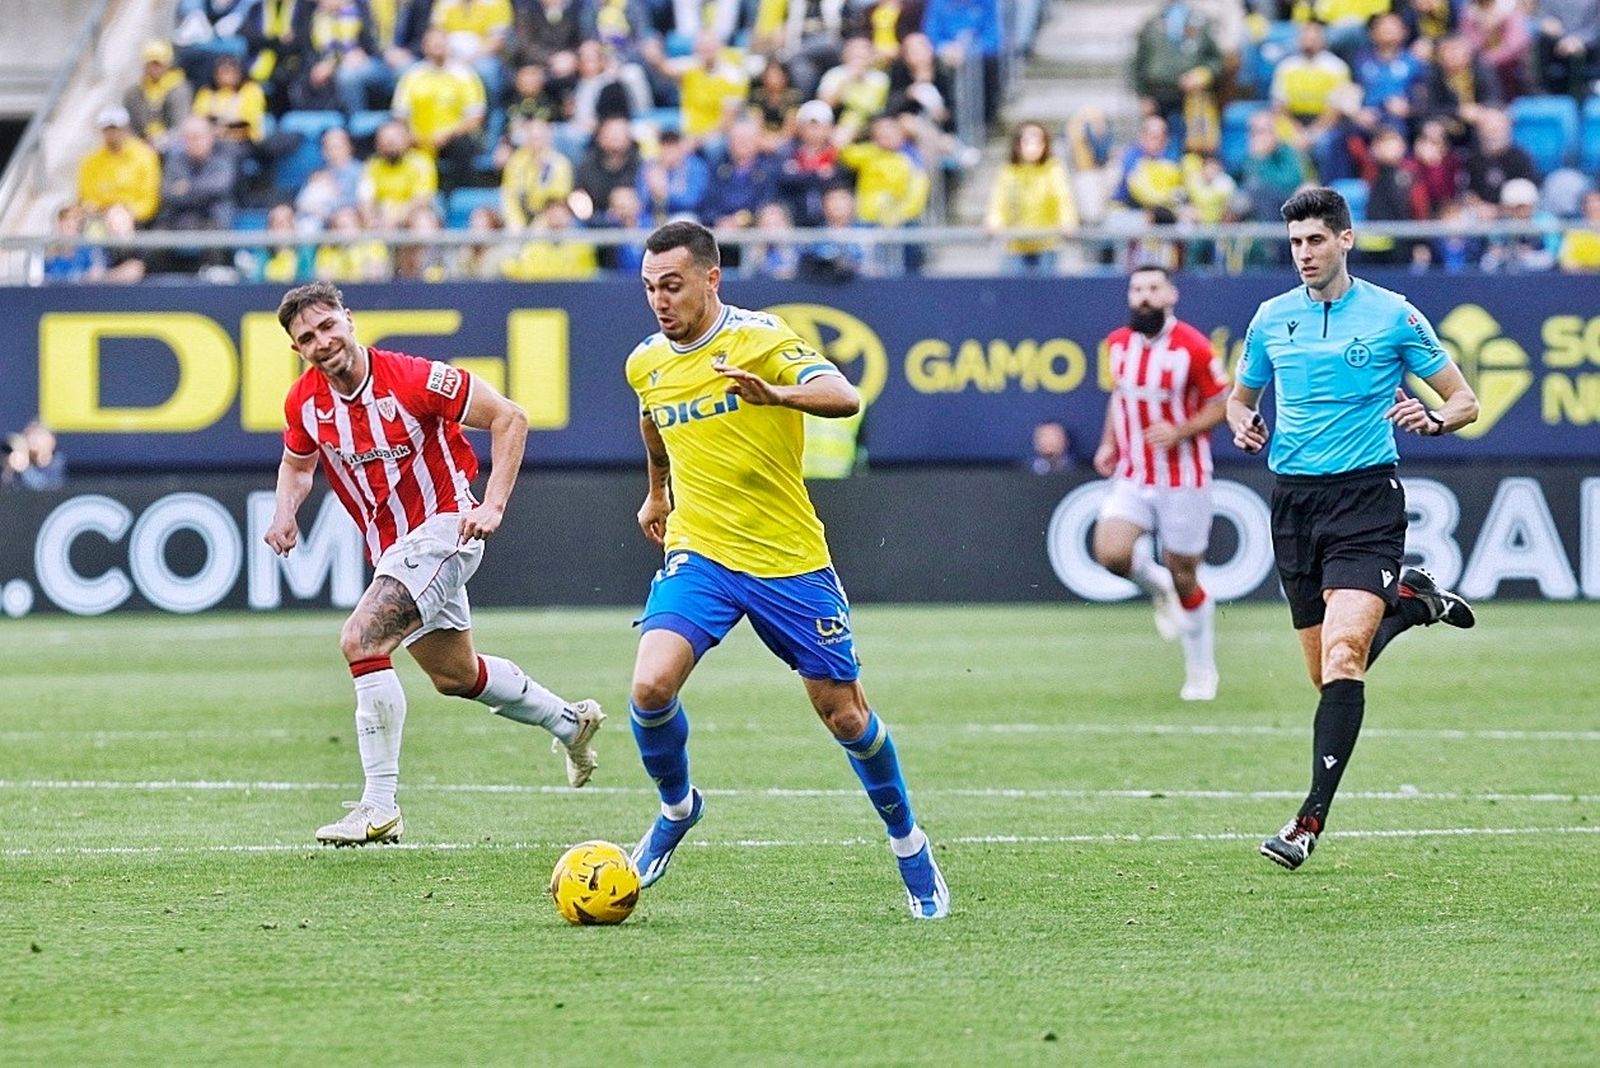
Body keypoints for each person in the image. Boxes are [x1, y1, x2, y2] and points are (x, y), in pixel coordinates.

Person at [622, 220, 949, 919]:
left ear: (712, 278)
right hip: (701, 550)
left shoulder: (763, 339)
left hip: (788, 560)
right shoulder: (645, 361)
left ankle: (909, 844)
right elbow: (653, 422)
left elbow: (843, 395)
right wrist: (657, 492)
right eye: (650, 287)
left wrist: (777, 395)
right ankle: (677, 809)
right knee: (650, 687)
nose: (659, 300)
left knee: (846, 716)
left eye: (672, 285)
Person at [263, 281, 604, 845]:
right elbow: (298, 465)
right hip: (394, 549)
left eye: (328, 326)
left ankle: (379, 806)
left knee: (361, 639)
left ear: (349, 319)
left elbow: (510, 418)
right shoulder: (305, 402)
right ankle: (569, 721)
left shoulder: (414, 377)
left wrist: (493, 503)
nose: (322, 341)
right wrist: (284, 514)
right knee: (455, 675)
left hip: (447, 525)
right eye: (307, 337)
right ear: (298, 350)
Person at [1227, 187, 1480, 871]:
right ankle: (1412, 601)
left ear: (1345, 239)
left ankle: (1307, 822)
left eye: (1315, 241)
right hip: (1294, 507)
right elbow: (1238, 396)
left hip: (1366, 501)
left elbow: (1465, 400)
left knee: (1343, 658)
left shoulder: (1393, 315)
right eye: (1296, 243)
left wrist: (1435, 419)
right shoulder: (1271, 318)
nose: (1304, 254)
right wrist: (1240, 422)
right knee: (1329, 673)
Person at [1091, 265, 1227, 701]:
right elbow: (1121, 397)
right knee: (1111, 553)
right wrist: (1109, 443)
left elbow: (1222, 404)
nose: (1144, 296)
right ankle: (1159, 587)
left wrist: (1180, 431)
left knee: (1185, 571)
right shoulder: (1117, 344)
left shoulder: (1194, 347)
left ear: (1171, 294)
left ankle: (1201, 670)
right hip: (1134, 472)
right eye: (1137, 289)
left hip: (1183, 477)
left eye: (1153, 288)